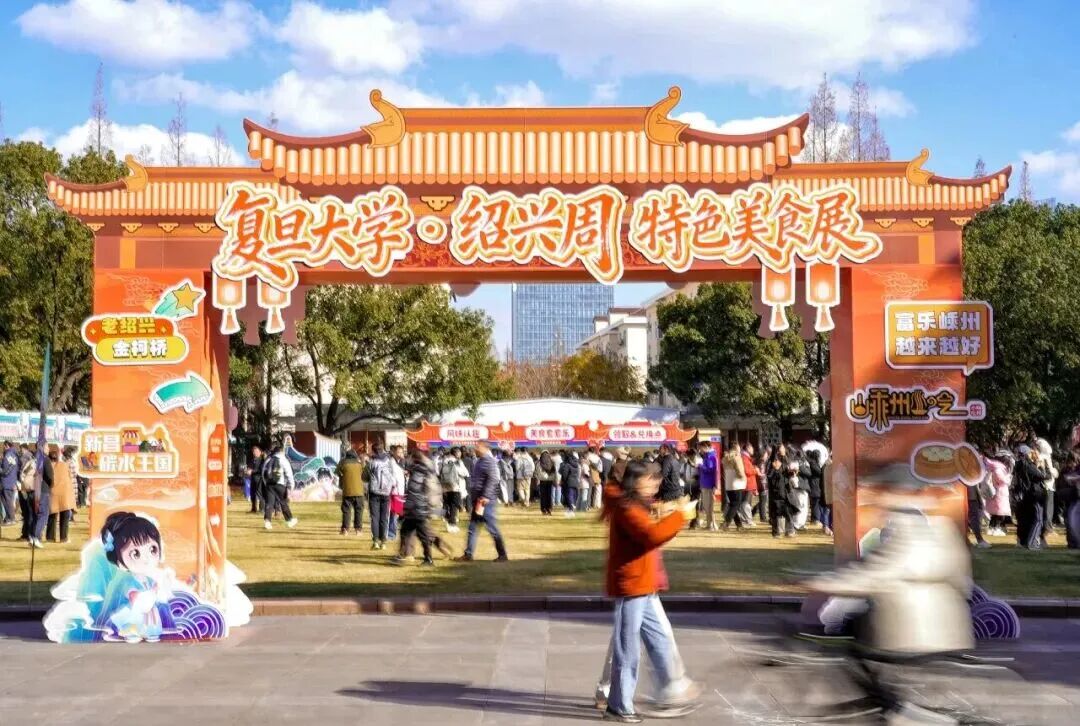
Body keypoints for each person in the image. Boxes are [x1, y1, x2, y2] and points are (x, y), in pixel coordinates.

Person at [601, 460, 699, 722]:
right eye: (649, 479)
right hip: (633, 586)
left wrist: (670, 512)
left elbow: (651, 531)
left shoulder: (634, 504)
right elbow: (651, 535)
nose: (655, 483)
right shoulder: (626, 507)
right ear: (634, 482)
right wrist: (680, 516)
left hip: (644, 586)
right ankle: (618, 705)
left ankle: (670, 690)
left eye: (656, 479)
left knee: (659, 639)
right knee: (627, 648)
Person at [394, 450, 453, 566]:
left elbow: (430, 491)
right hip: (415, 507)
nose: (409, 460)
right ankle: (407, 555)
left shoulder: (422, 471)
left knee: (424, 534)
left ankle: (428, 559)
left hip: (420, 508)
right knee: (409, 531)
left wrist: (431, 508)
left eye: (411, 458)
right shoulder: (419, 469)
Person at [457, 440, 509, 562]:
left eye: (478, 447)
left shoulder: (489, 461)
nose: (475, 449)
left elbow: (493, 479)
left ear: (485, 448)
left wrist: (486, 496)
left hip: (486, 502)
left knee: (492, 528)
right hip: (478, 500)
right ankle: (468, 554)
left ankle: (502, 554)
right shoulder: (479, 461)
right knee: (473, 528)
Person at [1013, 444, 1051, 549]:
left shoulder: (1018, 464)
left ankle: (1024, 542)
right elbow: (1043, 476)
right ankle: (1032, 543)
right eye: (1030, 452)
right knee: (1038, 520)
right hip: (1033, 495)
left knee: (1026, 520)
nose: (1032, 454)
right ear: (1026, 454)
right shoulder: (1027, 465)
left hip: (1024, 496)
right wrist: (1042, 467)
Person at [261, 443, 298, 531]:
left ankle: (267, 522)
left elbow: (263, 473)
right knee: (283, 502)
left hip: (269, 484)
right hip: (280, 484)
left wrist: (266, 483)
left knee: (269, 503)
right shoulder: (283, 459)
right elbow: (289, 473)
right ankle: (289, 520)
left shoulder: (268, 459)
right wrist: (291, 486)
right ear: (281, 451)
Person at [366, 444, 395, 549]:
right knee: (384, 517)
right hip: (386, 492)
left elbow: (364, 476)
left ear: (373, 451)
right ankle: (383, 542)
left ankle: (375, 542)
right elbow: (392, 475)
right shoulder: (389, 461)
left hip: (374, 492)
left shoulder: (371, 462)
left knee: (374, 517)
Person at [45, 445, 76, 543]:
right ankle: (64, 537)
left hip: (52, 493)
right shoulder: (65, 465)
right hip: (65, 493)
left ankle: (50, 537)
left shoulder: (47, 466)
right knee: (65, 516)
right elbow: (72, 476)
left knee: (52, 516)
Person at [438, 447, 469, 532]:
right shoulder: (457, 461)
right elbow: (464, 473)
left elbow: (438, 471)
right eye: (459, 452)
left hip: (445, 486)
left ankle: (445, 517)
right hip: (455, 486)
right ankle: (452, 524)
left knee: (446, 503)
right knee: (454, 505)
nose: (460, 454)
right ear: (456, 453)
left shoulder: (443, 460)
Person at [984, 449, 1013, 536]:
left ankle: (992, 528)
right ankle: (996, 528)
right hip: (1000, 493)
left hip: (998, 492)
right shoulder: (998, 468)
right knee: (1000, 513)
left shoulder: (995, 467)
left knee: (996, 513)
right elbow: (1003, 480)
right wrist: (1009, 476)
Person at [767, 445, 795, 537]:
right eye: (781, 449)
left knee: (788, 510)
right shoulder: (772, 461)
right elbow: (769, 476)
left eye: (783, 448)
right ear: (778, 451)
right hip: (775, 490)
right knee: (776, 511)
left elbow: (786, 472)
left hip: (786, 489)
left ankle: (789, 530)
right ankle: (776, 532)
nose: (783, 450)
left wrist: (791, 473)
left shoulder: (786, 459)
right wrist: (775, 469)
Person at [336, 448, 365, 535]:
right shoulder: (360, 464)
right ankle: (358, 530)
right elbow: (364, 474)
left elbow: (337, 472)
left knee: (346, 511)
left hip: (347, 491)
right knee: (359, 510)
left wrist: (342, 476)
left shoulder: (343, 463)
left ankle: (345, 529)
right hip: (359, 491)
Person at [721, 440, 748, 530]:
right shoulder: (736, 457)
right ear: (736, 447)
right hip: (737, 483)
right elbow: (740, 471)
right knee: (736, 504)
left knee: (733, 504)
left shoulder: (725, 458)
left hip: (728, 483)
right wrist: (743, 478)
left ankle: (739, 525)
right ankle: (726, 523)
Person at [696, 441, 717, 530]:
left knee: (708, 506)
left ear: (706, 447)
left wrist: (700, 466)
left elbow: (711, 470)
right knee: (707, 506)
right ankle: (710, 524)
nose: (700, 450)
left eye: (701, 448)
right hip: (705, 483)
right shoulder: (707, 456)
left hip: (708, 484)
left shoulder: (711, 456)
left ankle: (712, 525)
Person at [1061, 451, 1080, 549]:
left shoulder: (1075, 469)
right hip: (1070, 497)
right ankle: (1072, 543)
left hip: (1075, 497)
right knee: (1070, 521)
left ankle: (1074, 543)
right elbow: (1062, 482)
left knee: (1072, 520)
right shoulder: (1066, 470)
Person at [18, 444, 35, 541]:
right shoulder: (31, 462)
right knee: (28, 513)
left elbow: (22, 474)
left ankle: (27, 534)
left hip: (26, 489)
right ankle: (27, 534)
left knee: (27, 513)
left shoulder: (28, 462)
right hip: (28, 489)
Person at [805, 448, 825, 529]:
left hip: (814, 485)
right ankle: (816, 519)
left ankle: (814, 518)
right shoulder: (813, 463)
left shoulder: (813, 463)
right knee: (816, 502)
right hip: (814, 485)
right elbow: (819, 472)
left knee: (815, 502)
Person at [0, 440, 18, 526]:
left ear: (7, 445)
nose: (3, 447)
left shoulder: (7, 455)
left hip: (7, 481)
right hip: (11, 481)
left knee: (8, 501)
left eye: (4, 445)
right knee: (6, 500)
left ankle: (11, 518)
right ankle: (8, 518)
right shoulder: (14, 455)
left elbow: (5, 471)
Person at [741, 444, 759, 527]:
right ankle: (748, 520)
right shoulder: (744, 458)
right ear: (748, 448)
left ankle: (746, 520)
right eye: (752, 448)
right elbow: (747, 471)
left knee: (747, 503)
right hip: (748, 484)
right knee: (746, 503)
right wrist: (755, 470)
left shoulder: (747, 458)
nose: (753, 450)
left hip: (749, 484)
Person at [535, 450, 557, 515]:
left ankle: (543, 509)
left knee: (543, 495)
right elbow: (554, 471)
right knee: (549, 495)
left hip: (542, 480)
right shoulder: (552, 461)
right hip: (550, 480)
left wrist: (538, 478)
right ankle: (549, 508)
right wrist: (554, 479)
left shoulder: (539, 462)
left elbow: (537, 471)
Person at [560, 451, 581, 516]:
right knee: (574, 495)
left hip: (569, 482)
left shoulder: (567, 464)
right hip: (576, 481)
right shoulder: (577, 464)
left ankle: (571, 507)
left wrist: (564, 480)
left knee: (569, 495)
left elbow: (565, 474)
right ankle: (573, 506)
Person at [248, 445, 266, 514]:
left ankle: (262, 509)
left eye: (256, 451)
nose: (255, 453)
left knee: (260, 494)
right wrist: (247, 470)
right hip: (252, 479)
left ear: (260, 452)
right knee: (252, 494)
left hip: (259, 479)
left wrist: (252, 471)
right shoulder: (252, 460)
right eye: (254, 451)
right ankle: (253, 508)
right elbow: (249, 467)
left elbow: (261, 470)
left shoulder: (262, 460)